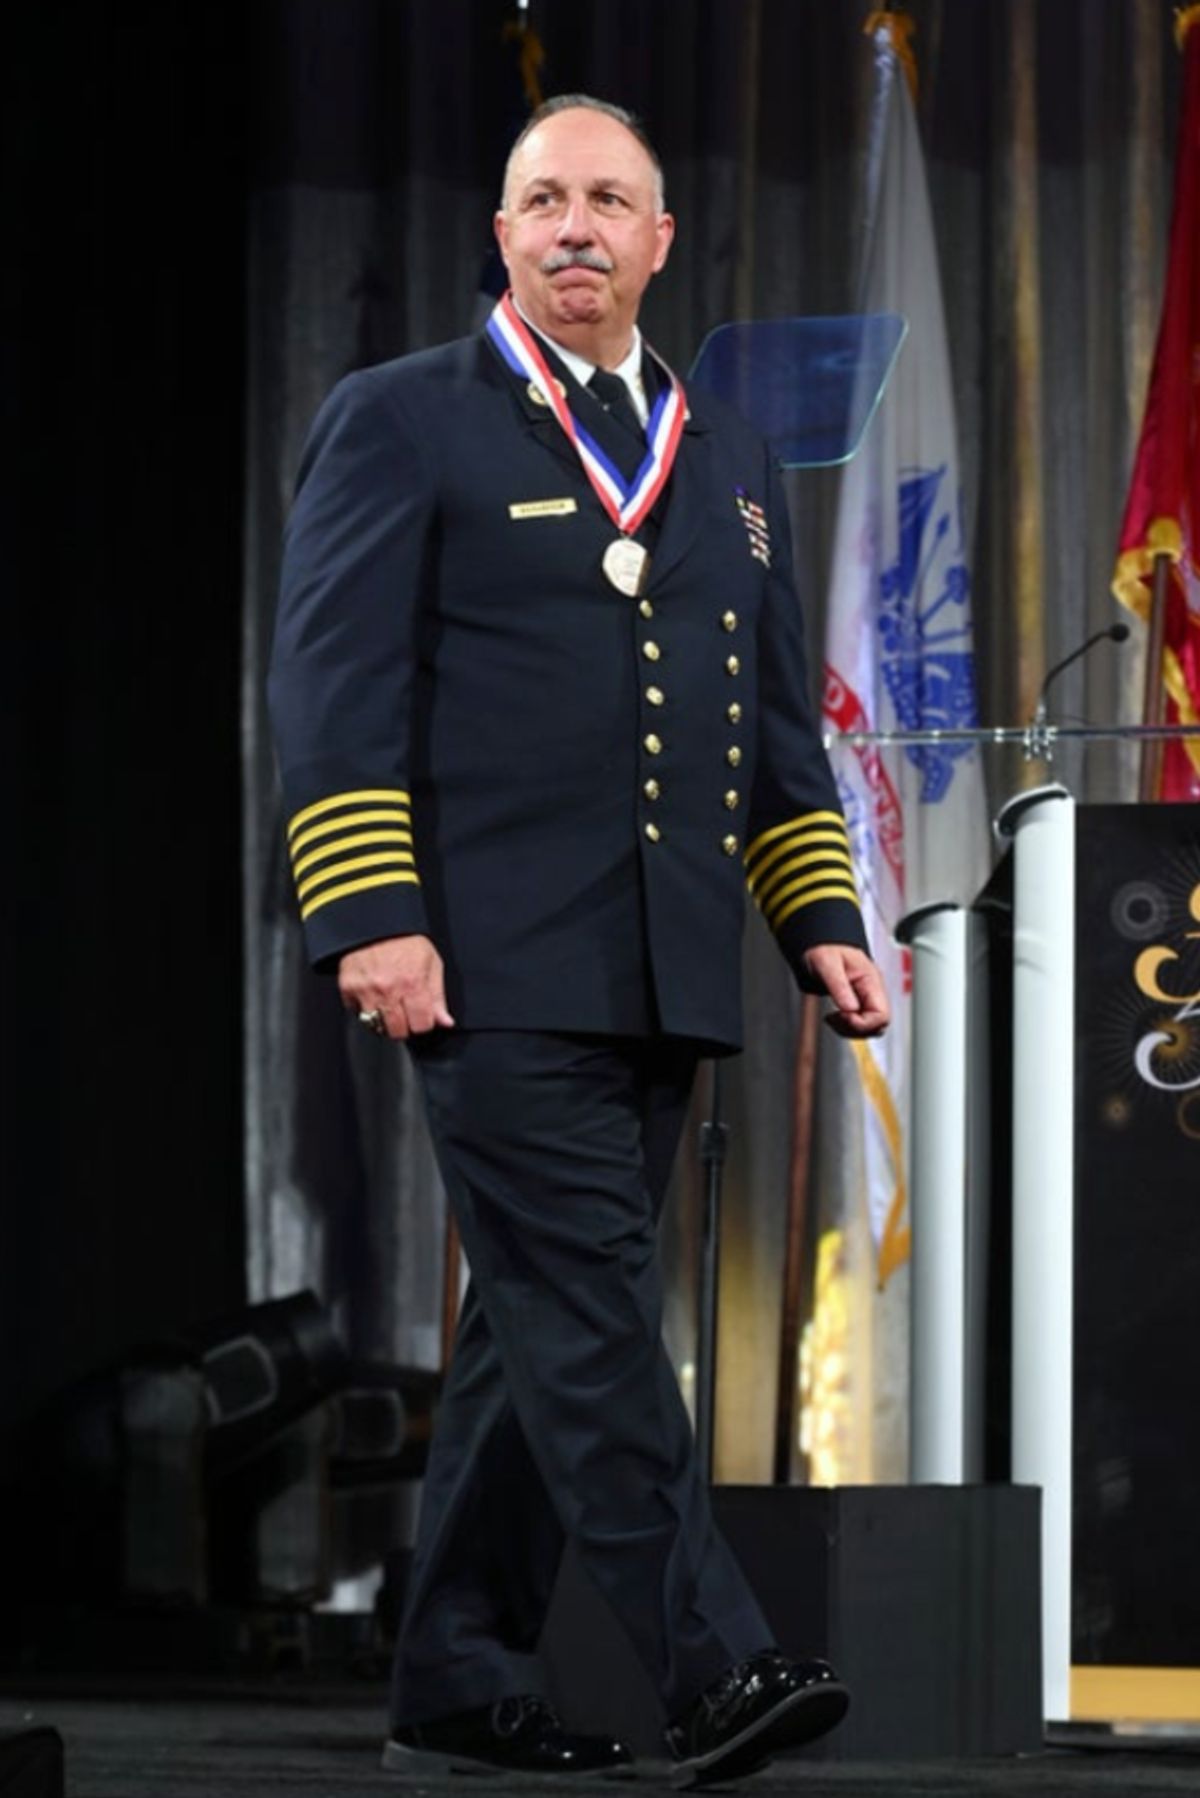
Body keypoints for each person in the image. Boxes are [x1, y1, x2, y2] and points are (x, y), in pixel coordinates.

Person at [268, 93, 889, 1787]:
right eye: (544, 198)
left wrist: (819, 917)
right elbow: (331, 686)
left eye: (609, 201)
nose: (576, 228)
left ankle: (458, 1674)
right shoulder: (403, 417)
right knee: (597, 1315)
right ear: (502, 231)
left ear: (659, 240)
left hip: (662, 969)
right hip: (484, 961)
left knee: (534, 1327)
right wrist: (373, 914)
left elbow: (772, 726)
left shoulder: (725, 453)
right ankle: (713, 1666)